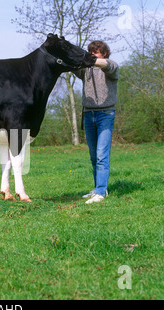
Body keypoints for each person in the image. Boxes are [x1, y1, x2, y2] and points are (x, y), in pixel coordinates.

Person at [74, 41, 119, 204]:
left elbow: (108, 66)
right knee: (94, 156)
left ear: (104, 53)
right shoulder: (86, 70)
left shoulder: (111, 66)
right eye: (90, 52)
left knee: (101, 154)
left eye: (96, 52)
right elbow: (73, 65)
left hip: (105, 114)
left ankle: (101, 191)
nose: (92, 54)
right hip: (88, 114)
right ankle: (97, 189)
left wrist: (90, 60)